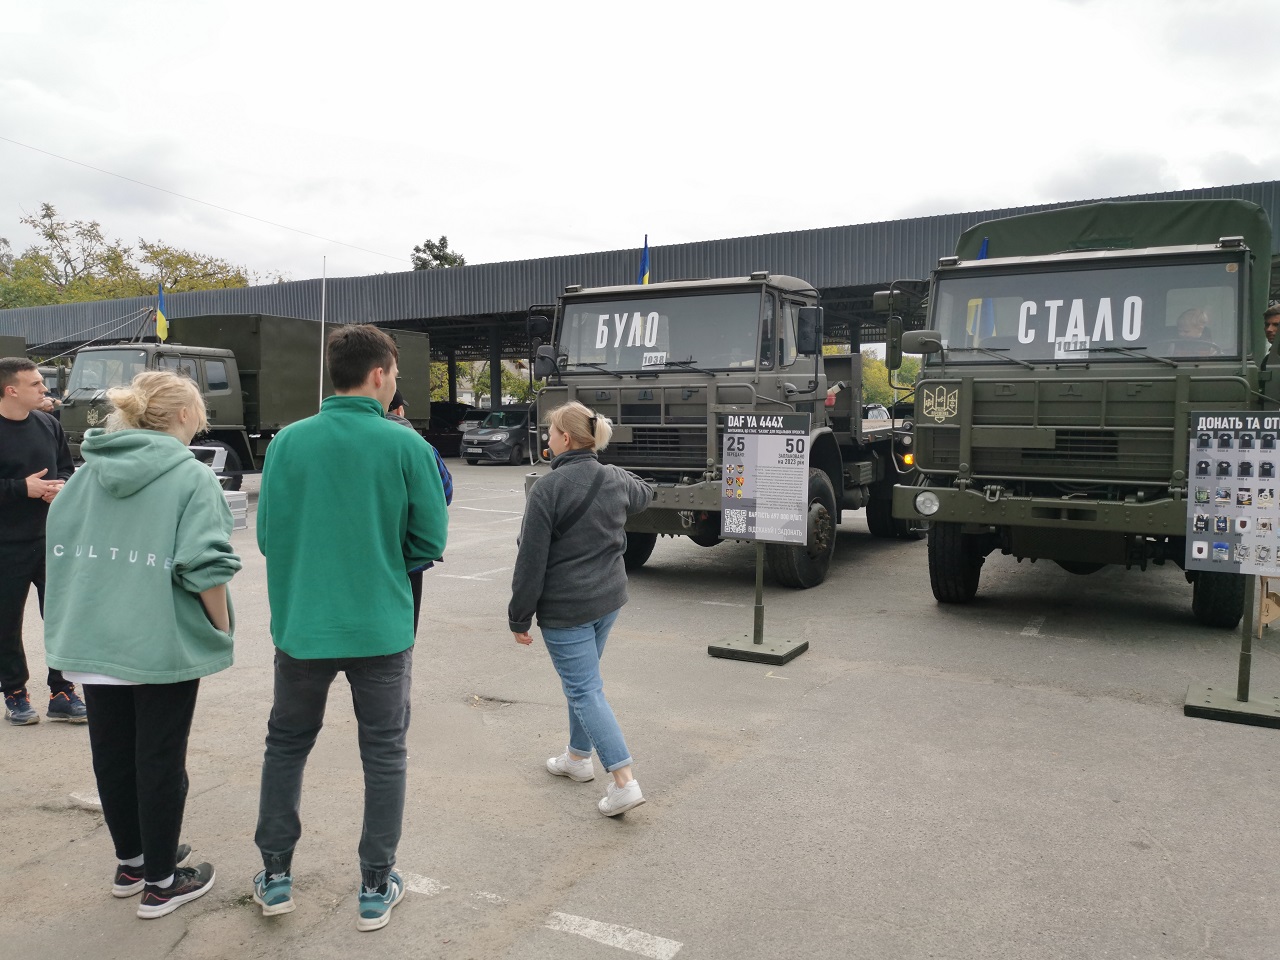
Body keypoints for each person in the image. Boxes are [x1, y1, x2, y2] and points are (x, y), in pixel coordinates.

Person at [254, 325, 448, 932]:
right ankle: (374, 884)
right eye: (395, 374)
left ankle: (276, 875)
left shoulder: (288, 441)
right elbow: (429, 540)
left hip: (302, 628)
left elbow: (268, 536)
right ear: (379, 374)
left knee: (287, 745)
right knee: (384, 752)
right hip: (380, 629)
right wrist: (380, 559)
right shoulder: (405, 445)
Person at [43, 370, 240, 918]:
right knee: (160, 759)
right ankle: (161, 882)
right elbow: (206, 567)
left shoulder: (86, 474)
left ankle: (132, 862)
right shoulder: (191, 476)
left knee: (112, 754)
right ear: (184, 415)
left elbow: (60, 547)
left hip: (92, 636)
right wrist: (221, 627)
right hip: (158, 639)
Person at [508, 401, 654, 817]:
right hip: (608, 600)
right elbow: (646, 494)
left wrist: (519, 616)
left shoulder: (548, 489)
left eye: (551, 432)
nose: (547, 437)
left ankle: (624, 781)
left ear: (566, 439)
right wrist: (616, 475)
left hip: (567, 608)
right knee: (584, 682)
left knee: (584, 689)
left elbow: (530, 560)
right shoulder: (614, 477)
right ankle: (577, 757)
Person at [0, 357, 84, 725]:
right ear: (11, 390)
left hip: (53, 542)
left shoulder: (49, 424)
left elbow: (67, 468)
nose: (44, 388)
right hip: (6, 545)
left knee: (62, 617)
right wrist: (23, 488)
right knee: (6, 623)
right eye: (35, 383)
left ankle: (62, 691)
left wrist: (61, 487)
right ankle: (15, 693)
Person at [386, 388, 454, 633]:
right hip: (408, 558)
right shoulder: (418, 446)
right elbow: (445, 493)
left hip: (357, 559)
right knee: (403, 633)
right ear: (400, 410)